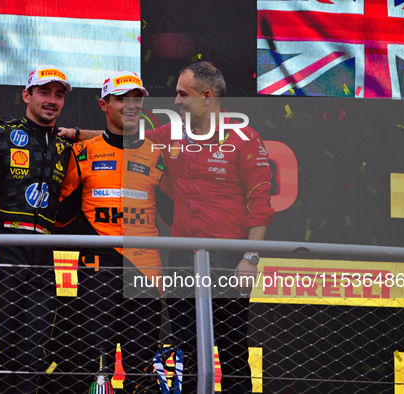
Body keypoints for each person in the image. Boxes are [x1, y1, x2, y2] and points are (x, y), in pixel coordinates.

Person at [150, 61, 275, 392]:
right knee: (185, 353)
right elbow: (120, 141)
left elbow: (260, 205)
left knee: (232, 351)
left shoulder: (243, 139)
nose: (175, 101)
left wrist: (250, 258)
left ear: (206, 97)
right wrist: (77, 134)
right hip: (181, 260)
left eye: (182, 94)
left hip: (226, 260)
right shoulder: (169, 135)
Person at [56, 71, 167, 393]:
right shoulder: (83, 152)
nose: (130, 106)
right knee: (96, 362)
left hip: (146, 265)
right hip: (98, 261)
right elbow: (62, 215)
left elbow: (177, 208)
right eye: (121, 99)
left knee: (142, 364)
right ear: (104, 104)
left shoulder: (157, 153)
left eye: (136, 99)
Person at [0, 65, 74, 393]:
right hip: (2, 247)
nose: (52, 100)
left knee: (33, 352)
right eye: (44, 92)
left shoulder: (65, 146)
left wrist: (79, 134)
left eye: (59, 95)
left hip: (44, 254)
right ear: (26, 95)